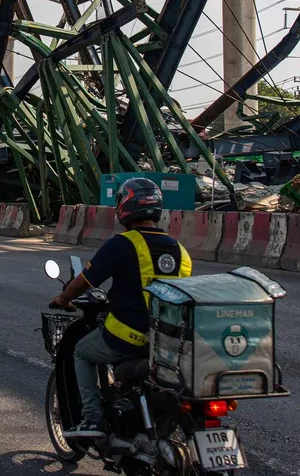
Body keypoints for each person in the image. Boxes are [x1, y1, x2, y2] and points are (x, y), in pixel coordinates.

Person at [49, 177, 192, 439]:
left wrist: (63, 298)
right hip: (167, 343)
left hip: (128, 337)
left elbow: (85, 281)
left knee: (81, 352)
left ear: (125, 208)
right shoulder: (180, 251)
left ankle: (92, 419)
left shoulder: (122, 244)